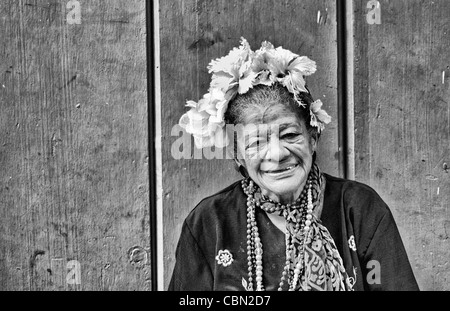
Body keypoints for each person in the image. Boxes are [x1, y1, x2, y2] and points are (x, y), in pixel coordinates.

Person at [169, 38, 419, 291]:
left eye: (289, 135)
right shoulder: (210, 222)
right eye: (256, 142)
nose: (277, 154)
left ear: (313, 138)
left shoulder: (359, 209)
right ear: (238, 156)